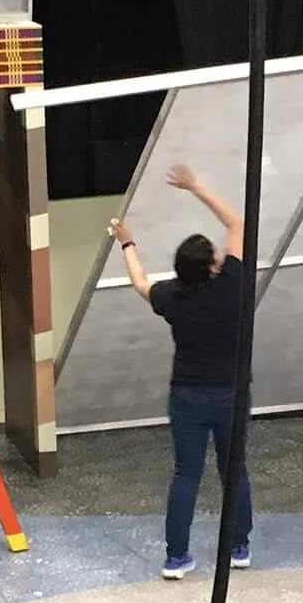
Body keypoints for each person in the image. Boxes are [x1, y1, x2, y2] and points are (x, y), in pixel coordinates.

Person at [109, 161, 253, 580]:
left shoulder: (172, 297)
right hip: (231, 394)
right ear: (213, 265)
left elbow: (140, 282)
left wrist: (127, 242)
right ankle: (239, 547)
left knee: (186, 474)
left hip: (187, 396)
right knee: (233, 470)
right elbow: (237, 223)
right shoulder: (232, 284)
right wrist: (195, 187)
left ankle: (176, 558)